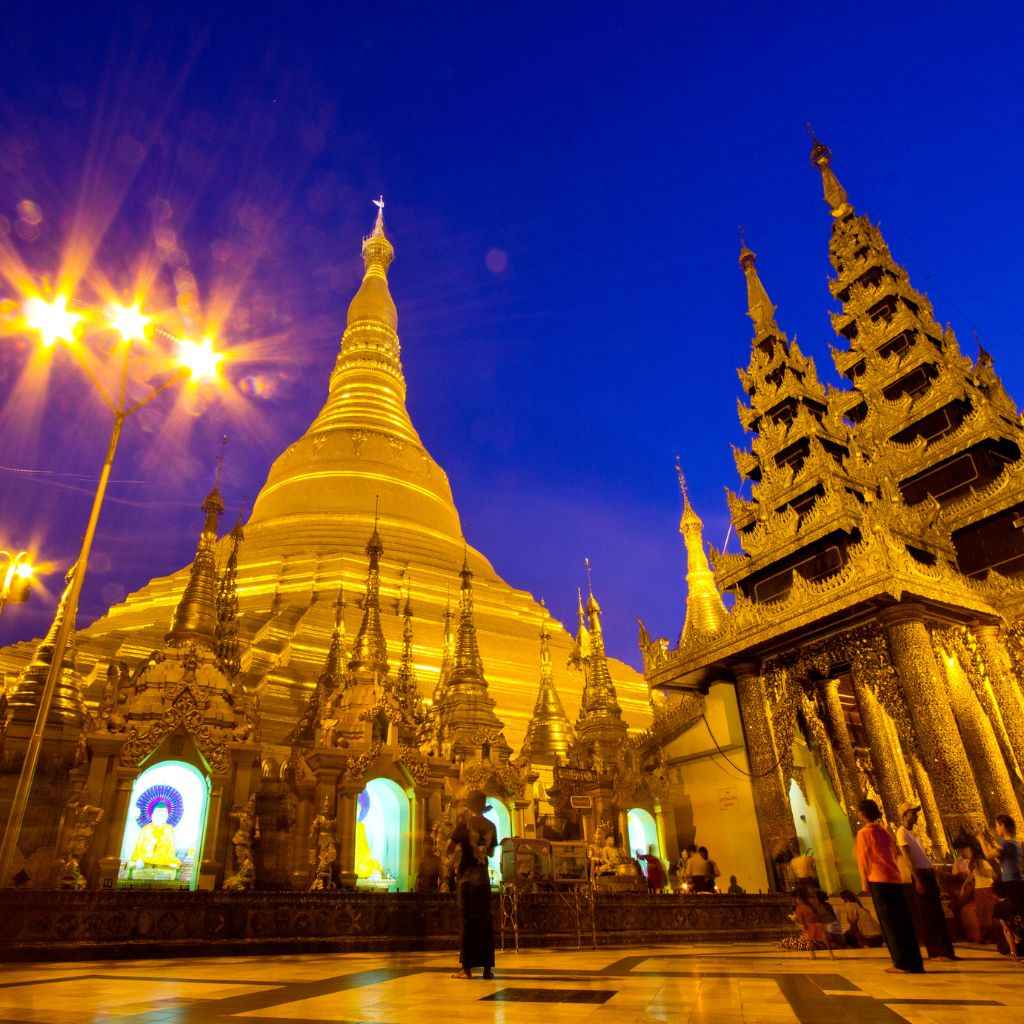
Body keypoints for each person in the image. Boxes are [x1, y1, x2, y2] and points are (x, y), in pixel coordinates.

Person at [855, 798, 924, 973]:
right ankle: (915, 962)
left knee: (890, 924)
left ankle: (901, 963)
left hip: (878, 880)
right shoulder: (884, 831)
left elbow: (863, 859)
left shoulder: (864, 833)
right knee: (904, 922)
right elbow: (894, 852)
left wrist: (864, 883)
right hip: (894, 878)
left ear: (862, 815)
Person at [447, 790, 498, 979]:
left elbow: (448, 848)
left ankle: (466, 968)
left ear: (470, 806)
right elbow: (492, 853)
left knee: (467, 922)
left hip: (467, 880)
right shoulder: (491, 825)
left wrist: (458, 852)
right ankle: (487, 968)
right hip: (484, 880)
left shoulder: (464, 825)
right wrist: (481, 849)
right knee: (485, 922)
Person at [896, 800, 956, 960]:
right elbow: (908, 859)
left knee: (936, 912)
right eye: (913, 813)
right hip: (919, 875)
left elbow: (922, 857)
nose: (916, 816)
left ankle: (946, 951)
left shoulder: (914, 834)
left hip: (927, 873)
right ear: (905, 815)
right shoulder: (901, 832)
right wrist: (917, 879)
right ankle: (936, 951)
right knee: (928, 914)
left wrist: (934, 872)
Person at [956, 839, 998, 943]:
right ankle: (985, 936)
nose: (963, 852)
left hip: (987, 889)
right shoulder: (973, 863)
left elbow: (992, 875)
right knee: (982, 914)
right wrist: (963, 886)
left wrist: (981, 870)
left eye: (965, 850)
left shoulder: (981, 861)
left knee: (988, 913)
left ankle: (991, 936)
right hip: (979, 890)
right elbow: (971, 876)